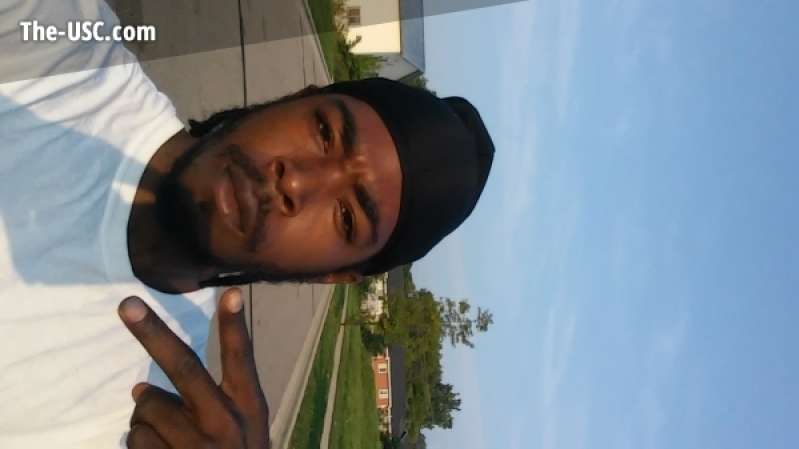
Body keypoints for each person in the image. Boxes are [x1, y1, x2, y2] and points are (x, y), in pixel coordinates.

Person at [0, 1, 495, 448]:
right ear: (297, 96)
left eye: (347, 216)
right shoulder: (61, 49)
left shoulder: (154, 413)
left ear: (333, 275)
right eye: (324, 132)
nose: (296, 182)